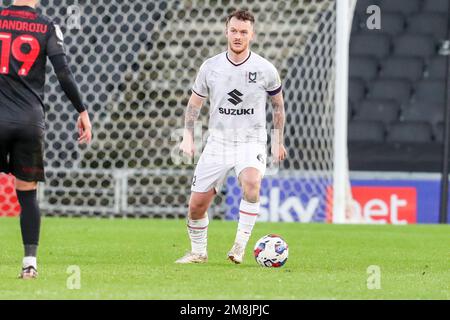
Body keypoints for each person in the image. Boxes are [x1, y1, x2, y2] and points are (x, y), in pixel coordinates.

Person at [176, 9, 286, 264]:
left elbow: (278, 106)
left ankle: (239, 246)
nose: (238, 36)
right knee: (196, 206)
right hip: (218, 142)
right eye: (234, 31)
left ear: (252, 35)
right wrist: (188, 137)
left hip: (251, 140)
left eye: (243, 32)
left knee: (251, 183)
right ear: (226, 31)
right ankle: (198, 252)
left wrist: (277, 139)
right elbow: (194, 104)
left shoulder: (265, 69)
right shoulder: (210, 67)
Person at [0, 0, 92, 279]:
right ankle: (30, 263)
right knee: (27, 193)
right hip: (29, 121)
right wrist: (82, 110)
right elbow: (63, 73)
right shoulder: (47, 26)